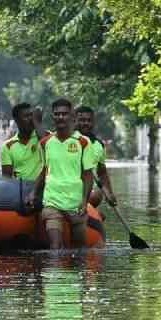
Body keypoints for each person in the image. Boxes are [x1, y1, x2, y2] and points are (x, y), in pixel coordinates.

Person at [26, 98, 97, 249]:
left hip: (75, 202)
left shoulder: (83, 142)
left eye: (64, 114)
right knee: (55, 246)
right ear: (52, 117)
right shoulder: (46, 142)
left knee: (79, 249)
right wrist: (34, 191)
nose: (60, 117)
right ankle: (53, 273)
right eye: (57, 114)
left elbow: (87, 175)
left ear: (72, 116)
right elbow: (45, 169)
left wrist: (84, 200)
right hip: (52, 201)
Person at [75, 105, 118, 208]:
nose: (86, 123)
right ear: (74, 121)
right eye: (82, 120)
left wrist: (109, 193)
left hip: (89, 192)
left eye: (89, 120)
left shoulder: (99, 145)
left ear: (93, 123)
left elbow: (102, 173)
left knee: (96, 195)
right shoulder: (66, 140)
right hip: (67, 191)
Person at [0, 102, 44, 194]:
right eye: (26, 116)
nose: (31, 119)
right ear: (16, 120)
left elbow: (47, 145)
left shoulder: (45, 137)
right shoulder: (7, 146)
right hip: (21, 192)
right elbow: (6, 179)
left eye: (32, 115)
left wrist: (38, 123)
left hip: (45, 189)